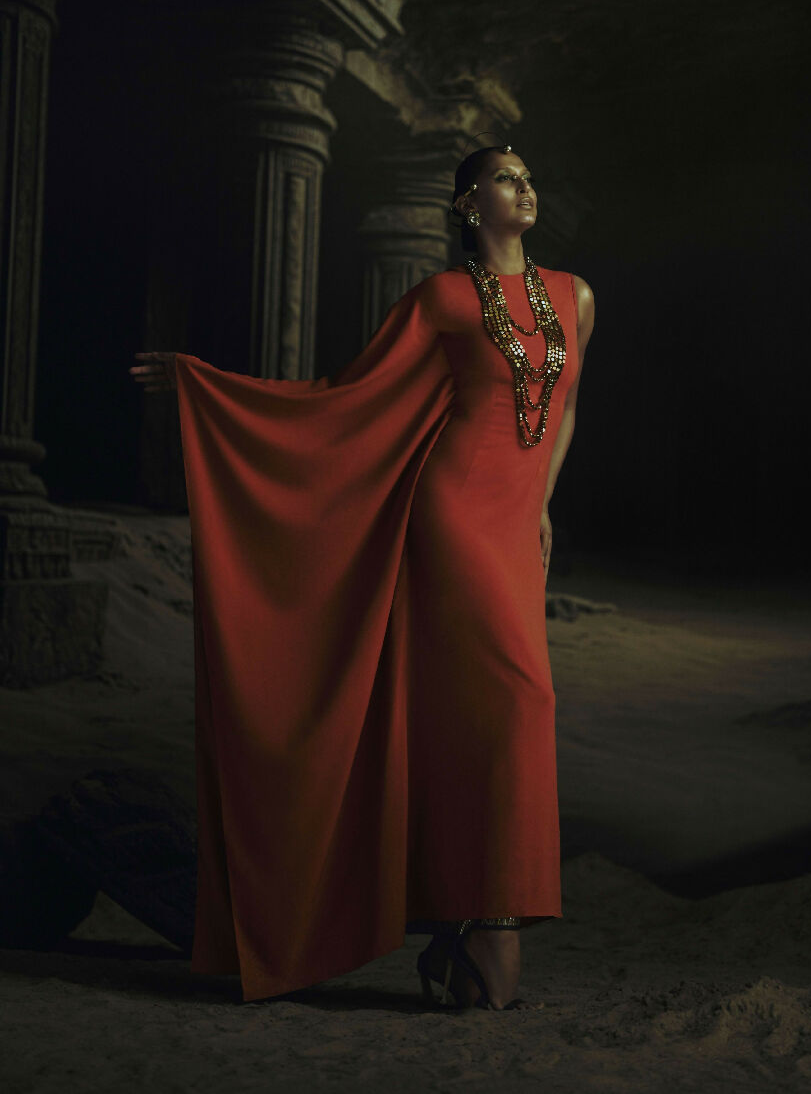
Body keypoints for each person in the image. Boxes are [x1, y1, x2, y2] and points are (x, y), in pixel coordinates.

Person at [130, 143, 595, 1010]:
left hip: (513, 522)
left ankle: (462, 918)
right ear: (468, 205)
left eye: (529, 175)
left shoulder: (575, 295)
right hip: (453, 514)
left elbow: (563, 405)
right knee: (520, 698)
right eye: (504, 177)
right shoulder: (441, 299)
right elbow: (342, 394)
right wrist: (206, 385)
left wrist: (542, 501)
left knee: (474, 714)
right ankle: (489, 922)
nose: (524, 187)